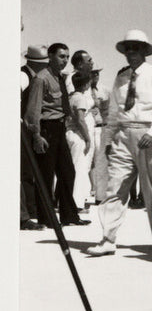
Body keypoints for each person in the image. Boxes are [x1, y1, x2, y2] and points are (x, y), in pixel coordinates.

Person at [87, 30, 152, 256]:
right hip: (123, 136)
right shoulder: (121, 77)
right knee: (115, 186)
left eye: (136, 48)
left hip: (149, 135)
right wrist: (108, 140)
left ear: (145, 50)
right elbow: (114, 112)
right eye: (128, 49)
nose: (131, 52)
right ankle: (108, 238)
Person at [23, 43, 87, 227]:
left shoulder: (60, 77)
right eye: (61, 56)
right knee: (45, 175)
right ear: (50, 56)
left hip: (59, 129)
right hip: (46, 129)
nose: (65, 60)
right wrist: (36, 135)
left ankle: (69, 216)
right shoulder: (41, 79)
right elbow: (33, 110)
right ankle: (47, 218)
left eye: (67, 56)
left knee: (68, 172)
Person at [20, 44, 49, 230]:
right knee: (24, 172)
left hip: (29, 129)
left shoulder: (34, 76)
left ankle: (31, 211)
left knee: (29, 171)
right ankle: (25, 215)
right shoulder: (24, 76)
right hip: (23, 129)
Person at [65, 73, 94, 210]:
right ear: (86, 84)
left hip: (68, 133)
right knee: (79, 169)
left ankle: (66, 201)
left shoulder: (70, 97)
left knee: (70, 169)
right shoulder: (81, 99)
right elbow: (80, 119)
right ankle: (76, 203)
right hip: (77, 135)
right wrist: (88, 138)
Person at [89, 67, 110, 203]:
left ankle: (100, 194)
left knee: (101, 161)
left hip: (101, 128)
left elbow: (109, 110)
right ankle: (91, 188)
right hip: (88, 128)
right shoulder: (83, 90)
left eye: (97, 73)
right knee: (88, 162)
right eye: (93, 72)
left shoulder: (105, 90)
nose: (96, 75)